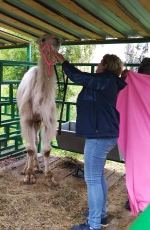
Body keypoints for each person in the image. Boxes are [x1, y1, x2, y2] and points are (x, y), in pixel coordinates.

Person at [54, 53, 127, 230]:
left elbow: (78, 76)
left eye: (100, 62)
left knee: (92, 178)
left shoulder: (104, 79)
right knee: (98, 175)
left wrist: (62, 61)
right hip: (104, 133)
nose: (98, 64)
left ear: (106, 65)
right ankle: (100, 216)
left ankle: (93, 225)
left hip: (99, 136)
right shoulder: (107, 81)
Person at [117, 57, 150, 215]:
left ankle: (138, 196)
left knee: (138, 166)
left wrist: (127, 78)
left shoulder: (134, 84)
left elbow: (118, 100)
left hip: (139, 138)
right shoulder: (134, 83)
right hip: (142, 135)